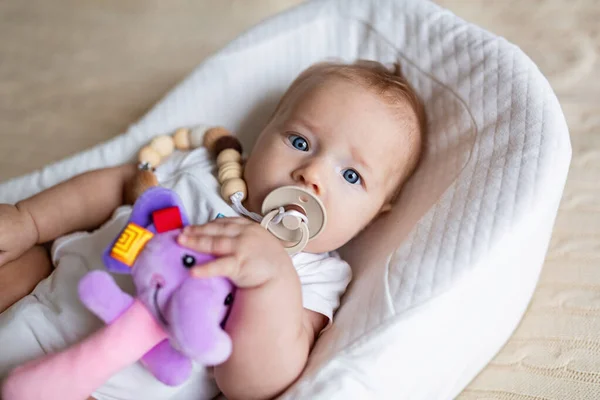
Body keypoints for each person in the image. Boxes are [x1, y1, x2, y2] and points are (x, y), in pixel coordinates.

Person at [0, 60, 425, 400]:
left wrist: (271, 277)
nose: (311, 173)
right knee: (19, 259)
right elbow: (116, 187)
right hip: (47, 292)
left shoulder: (313, 275)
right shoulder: (205, 172)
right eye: (299, 142)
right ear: (262, 136)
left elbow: (253, 385)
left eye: (351, 176)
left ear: (377, 212)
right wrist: (28, 219)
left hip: (108, 388)